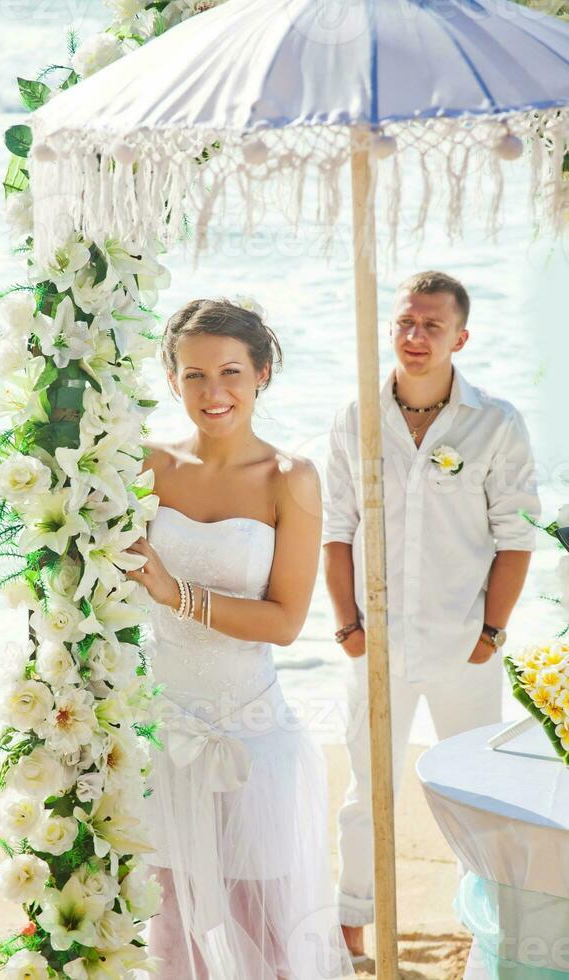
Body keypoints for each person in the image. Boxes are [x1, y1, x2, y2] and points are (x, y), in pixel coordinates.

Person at [123, 298, 353, 980]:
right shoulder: (146, 466)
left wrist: (176, 593)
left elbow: (285, 620)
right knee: (171, 936)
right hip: (162, 739)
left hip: (252, 742)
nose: (213, 393)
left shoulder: (292, 479)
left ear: (263, 374)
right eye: (193, 376)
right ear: (171, 381)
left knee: (267, 936)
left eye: (229, 372)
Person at [322, 270, 541, 961]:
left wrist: (492, 633)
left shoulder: (495, 422)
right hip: (375, 645)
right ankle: (349, 927)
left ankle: (487, 927)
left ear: (461, 337)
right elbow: (336, 527)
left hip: (464, 644)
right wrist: (347, 628)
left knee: (481, 792)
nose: (415, 338)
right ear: (390, 328)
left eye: (432, 326)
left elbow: (516, 535)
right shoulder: (354, 415)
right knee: (366, 788)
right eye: (405, 323)